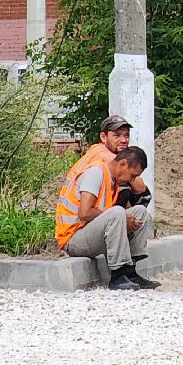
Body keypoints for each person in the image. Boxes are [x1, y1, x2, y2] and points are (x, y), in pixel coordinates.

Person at [56, 147, 160, 291]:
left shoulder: (113, 180)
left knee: (140, 212)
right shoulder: (96, 173)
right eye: (132, 175)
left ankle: (130, 272)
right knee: (117, 213)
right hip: (73, 238)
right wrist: (122, 217)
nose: (132, 180)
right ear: (123, 164)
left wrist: (126, 218)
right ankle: (117, 275)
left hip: (89, 232)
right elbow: (84, 213)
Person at [69, 114, 151, 212]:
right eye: (117, 136)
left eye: (126, 135)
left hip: (92, 214)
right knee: (124, 185)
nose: (124, 140)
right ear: (103, 137)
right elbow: (138, 185)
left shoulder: (117, 156)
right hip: (79, 219)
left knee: (142, 197)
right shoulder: (99, 152)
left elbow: (141, 189)